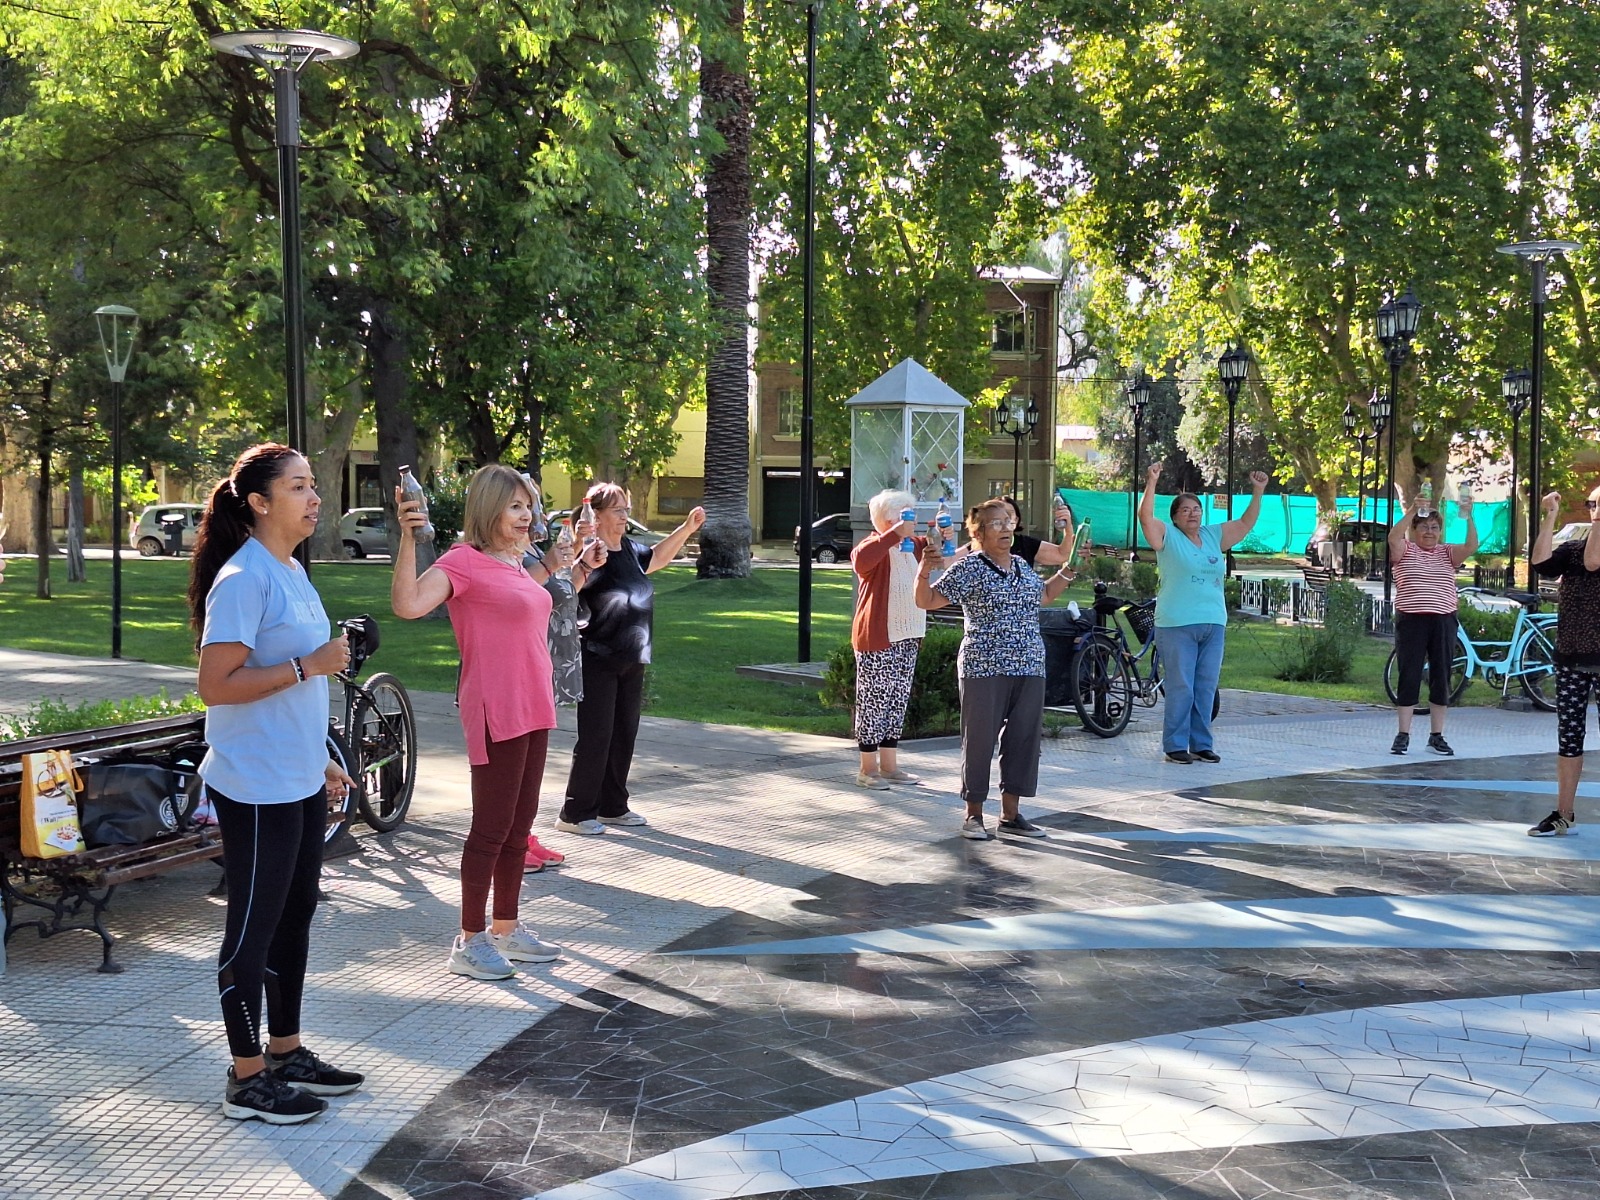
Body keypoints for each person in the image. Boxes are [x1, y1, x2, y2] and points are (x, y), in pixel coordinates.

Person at [188, 443, 363, 1125]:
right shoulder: (244, 579)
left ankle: (286, 1052)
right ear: (259, 502)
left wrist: (319, 755)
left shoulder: (290, 569)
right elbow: (215, 686)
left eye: (313, 485)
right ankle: (246, 1077)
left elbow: (298, 683)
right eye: (298, 487)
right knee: (251, 931)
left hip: (293, 774)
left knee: (296, 915)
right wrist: (307, 665)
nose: (314, 497)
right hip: (253, 784)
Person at [392, 464, 594, 980]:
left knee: (519, 827)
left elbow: (523, 598)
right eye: (515, 506)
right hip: (495, 708)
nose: (528, 515)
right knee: (491, 827)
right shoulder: (463, 561)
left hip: (533, 705)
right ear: (489, 509)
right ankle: (469, 939)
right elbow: (409, 604)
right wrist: (408, 538)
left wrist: (555, 566)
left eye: (529, 506)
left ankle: (506, 925)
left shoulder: (512, 562)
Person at [916, 497, 1076, 840]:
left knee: (1023, 739)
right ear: (979, 533)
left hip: (1030, 664)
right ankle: (973, 814)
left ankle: (1011, 814)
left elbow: (1043, 595)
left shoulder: (1021, 564)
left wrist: (1070, 571)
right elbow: (926, 601)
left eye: (1008, 521)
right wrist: (923, 570)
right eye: (996, 524)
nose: (1006, 528)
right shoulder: (970, 568)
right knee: (980, 741)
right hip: (983, 665)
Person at [555, 484, 705, 835]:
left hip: (633, 657)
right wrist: (580, 552)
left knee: (624, 734)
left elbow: (659, 557)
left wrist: (686, 528)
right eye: (618, 510)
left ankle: (612, 806)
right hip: (597, 655)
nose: (625, 516)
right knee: (597, 735)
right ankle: (575, 814)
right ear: (598, 514)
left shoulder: (630, 550)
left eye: (627, 509)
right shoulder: (591, 553)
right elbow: (565, 587)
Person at [1139, 463, 1268, 764]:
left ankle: (1201, 743)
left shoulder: (1213, 536)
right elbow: (1145, 518)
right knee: (1181, 685)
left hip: (1213, 623)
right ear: (1174, 517)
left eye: (1196, 508)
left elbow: (1246, 523)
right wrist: (1152, 482)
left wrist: (1258, 490)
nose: (1192, 513)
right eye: (1185, 510)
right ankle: (1175, 745)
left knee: (1205, 686)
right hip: (1176, 623)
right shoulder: (1167, 536)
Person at [1527, 484, 1600, 836]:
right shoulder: (1572, 549)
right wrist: (1550, 517)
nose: (1593, 510)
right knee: (1569, 737)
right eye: (1591, 504)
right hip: (1571, 656)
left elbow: (1594, 561)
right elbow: (1540, 562)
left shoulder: (1587, 552)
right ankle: (1563, 812)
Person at [1387, 487, 1476, 756]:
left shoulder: (1447, 553)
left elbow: (1471, 546)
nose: (1429, 532)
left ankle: (1436, 735)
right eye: (1424, 527)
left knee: (1441, 675)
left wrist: (1469, 516)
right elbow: (1393, 536)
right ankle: (1403, 734)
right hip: (1412, 620)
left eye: (1435, 527)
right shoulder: (1405, 550)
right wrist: (1413, 510)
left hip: (1443, 620)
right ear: (1414, 530)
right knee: (1409, 674)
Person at [849, 490, 929, 789]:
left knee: (896, 701)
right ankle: (867, 769)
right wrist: (894, 534)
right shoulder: (874, 545)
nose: (912, 522)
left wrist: (945, 538)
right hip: (878, 638)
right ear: (888, 520)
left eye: (912, 515)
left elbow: (944, 557)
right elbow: (861, 561)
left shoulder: (912, 547)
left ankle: (890, 766)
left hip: (908, 635)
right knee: (873, 702)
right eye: (906, 516)